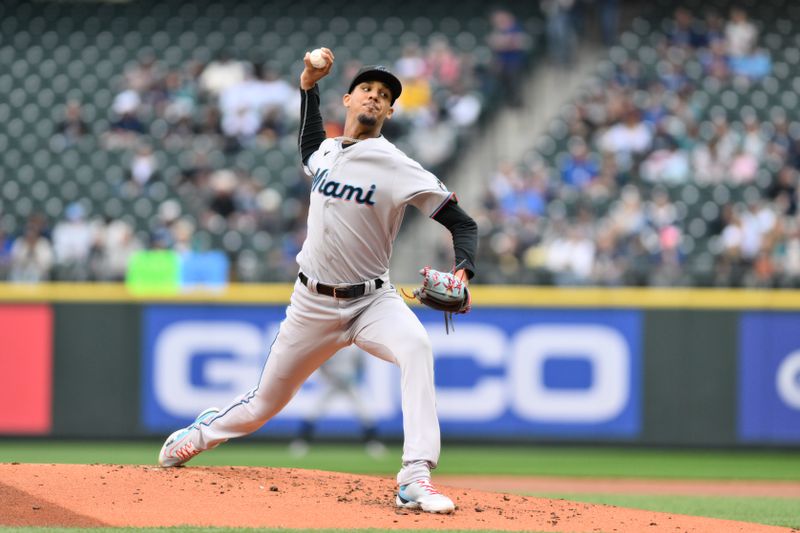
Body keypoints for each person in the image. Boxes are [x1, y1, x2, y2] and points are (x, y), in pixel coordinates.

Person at [158, 48, 478, 515]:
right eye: (367, 89)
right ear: (348, 100)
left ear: (390, 111)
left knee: (417, 348)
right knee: (262, 406)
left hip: (373, 302)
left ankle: (415, 477)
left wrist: (463, 271)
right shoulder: (327, 151)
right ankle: (200, 434)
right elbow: (309, 145)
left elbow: (463, 223)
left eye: (384, 95)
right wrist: (308, 83)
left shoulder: (397, 165)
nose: (374, 97)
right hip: (312, 304)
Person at [288, 345, 387, 458]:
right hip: (331, 383)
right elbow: (320, 365)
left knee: (365, 412)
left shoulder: (354, 347)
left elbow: (361, 365)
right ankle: (301, 443)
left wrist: (355, 378)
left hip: (350, 383)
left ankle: (373, 444)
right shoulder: (330, 345)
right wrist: (328, 378)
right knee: (313, 411)